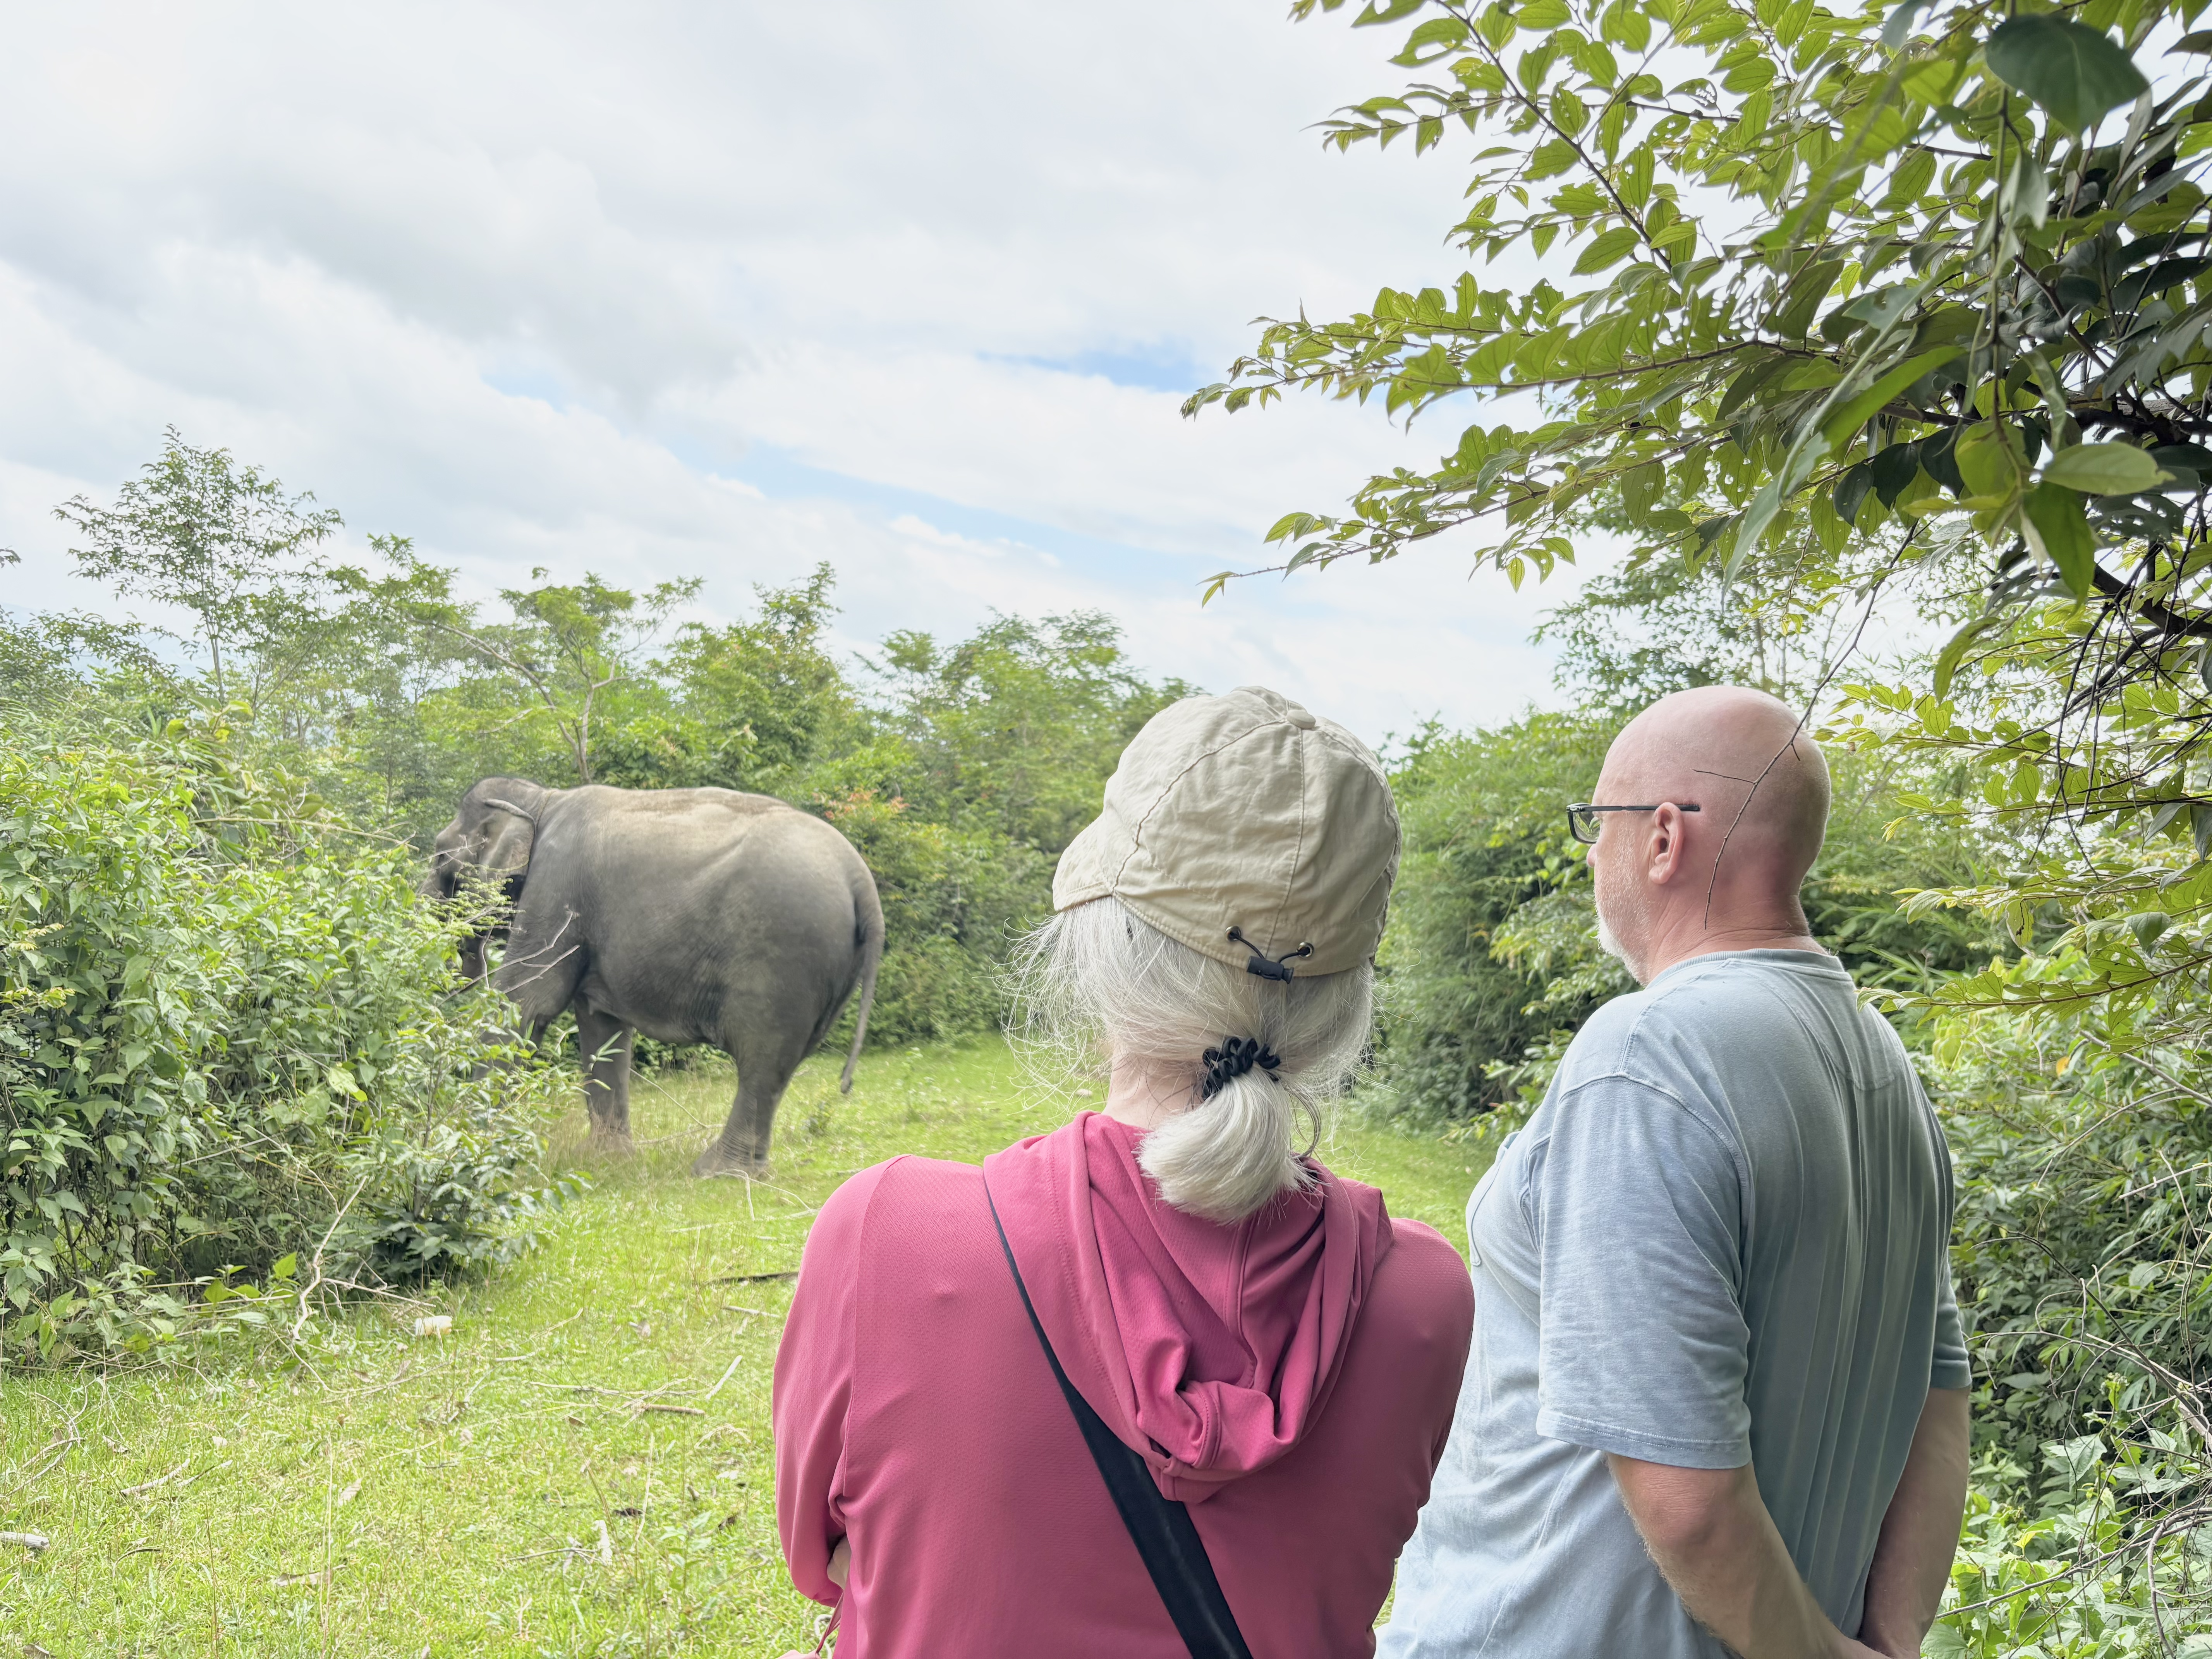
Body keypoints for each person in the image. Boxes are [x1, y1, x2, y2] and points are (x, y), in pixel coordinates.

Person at [773, 685, 1474, 1658]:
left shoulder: (888, 1230)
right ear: (1346, 1000)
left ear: (1101, 943)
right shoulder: (1425, 1295)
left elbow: (829, 1563)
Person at [1379, 685, 1972, 1659]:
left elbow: (1689, 1501)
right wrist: (1888, 1640)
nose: (1590, 854)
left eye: (1597, 823)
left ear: (1663, 838)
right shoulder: (1885, 1066)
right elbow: (1939, 1402)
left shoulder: (1648, 1055)